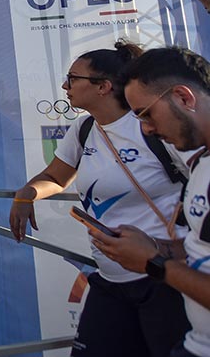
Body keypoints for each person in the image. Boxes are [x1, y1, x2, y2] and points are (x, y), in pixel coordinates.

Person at [9, 42, 190, 357]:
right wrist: (28, 193)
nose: (65, 86)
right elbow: (56, 177)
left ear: (104, 87)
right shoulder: (84, 127)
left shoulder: (151, 126)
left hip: (163, 279)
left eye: (73, 78)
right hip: (109, 279)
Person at [89, 47, 210, 357]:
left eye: (146, 114)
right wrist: (155, 247)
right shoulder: (200, 163)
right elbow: (201, 249)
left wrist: (155, 263)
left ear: (183, 97)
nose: (146, 129)